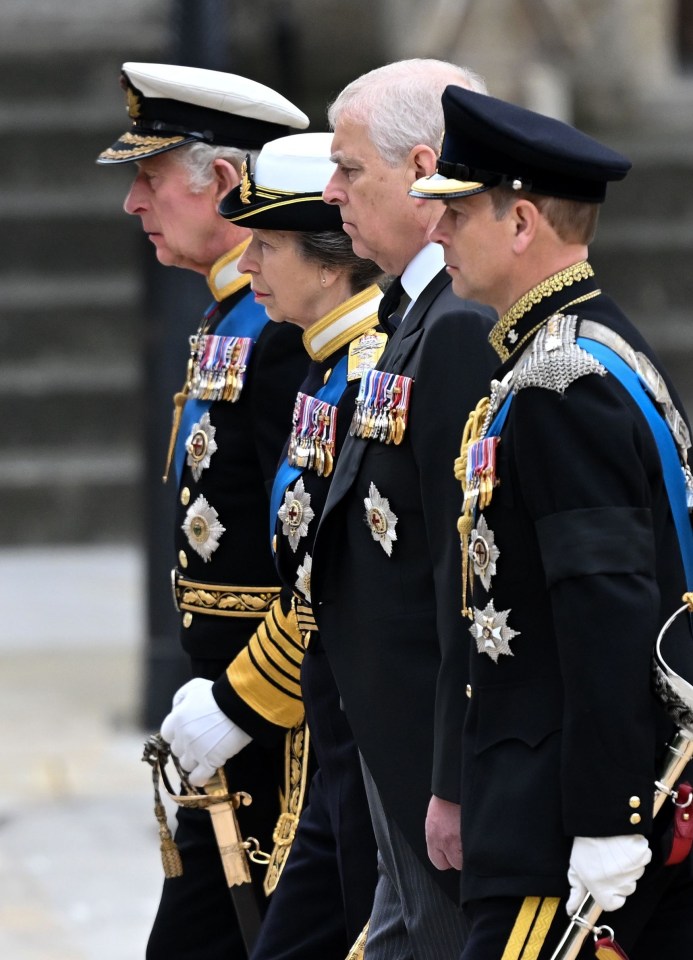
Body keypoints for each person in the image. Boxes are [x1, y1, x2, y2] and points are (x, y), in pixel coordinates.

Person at [411, 84, 693, 958]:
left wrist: (608, 820)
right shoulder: (563, 354)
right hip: (535, 801)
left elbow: (606, 604)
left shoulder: (563, 382)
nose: (435, 233)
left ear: (521, 222)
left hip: (561, 825)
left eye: (455, 213)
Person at [97, 62, 311, 960]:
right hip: (224, 718)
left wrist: (242, 699)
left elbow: (318, 559)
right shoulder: (233, 316)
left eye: (148, 179)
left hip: (277, 730)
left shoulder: (282, 327)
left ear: (222, 181)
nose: (132, 204)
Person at [311, 60, 498, 959]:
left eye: (350, 169)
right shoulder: (410, 313)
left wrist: (450, 776)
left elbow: (462, 572)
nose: (330, 189)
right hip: (390, 744)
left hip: (428, 758)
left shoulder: (454, 326)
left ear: (423, 171)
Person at [218, 130, 384, 959]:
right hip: (335, 729)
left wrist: (240, 697)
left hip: (365, 740)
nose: (246, 265)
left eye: (265, 244)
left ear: (328, 264)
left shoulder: (364, 373)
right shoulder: (325, 367)